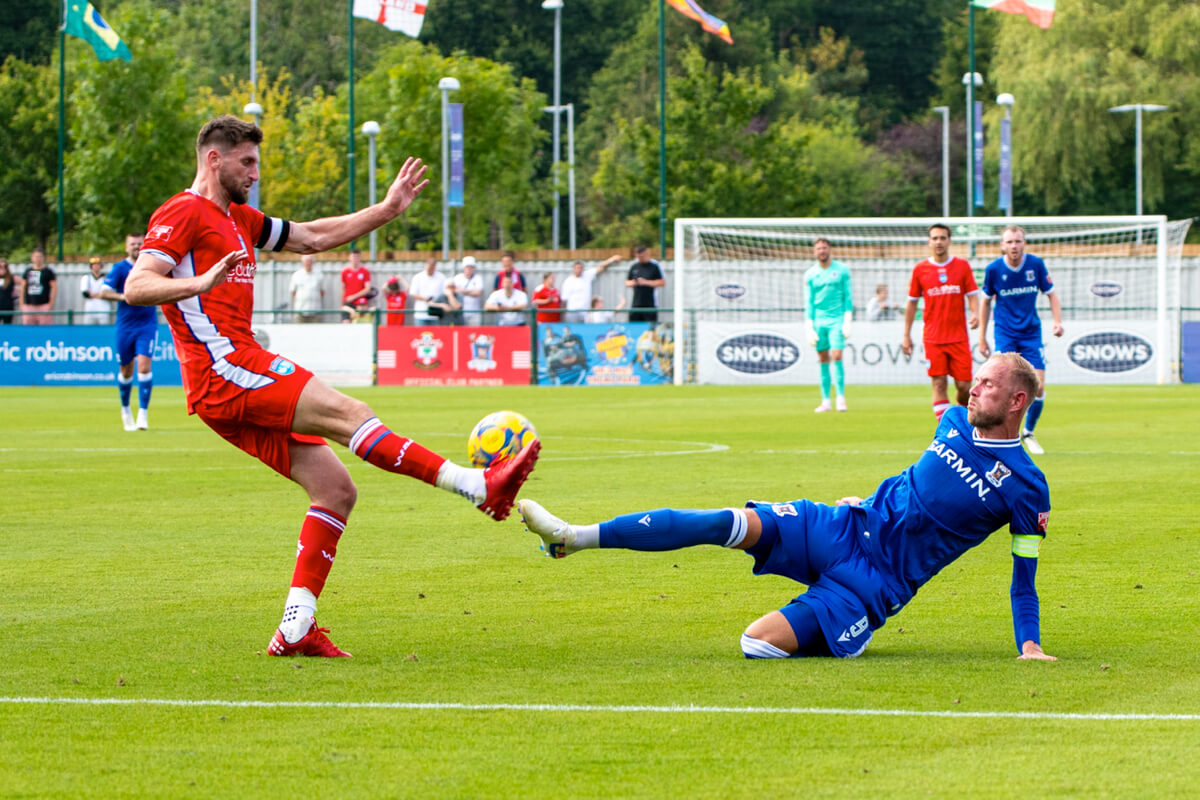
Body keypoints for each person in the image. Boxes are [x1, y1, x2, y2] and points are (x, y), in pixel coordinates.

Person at [123, 115, 540, 658]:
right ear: (214, 160)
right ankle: (476, 486)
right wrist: (197, 282)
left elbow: (314, 235)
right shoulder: (183, 212)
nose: (255, 173)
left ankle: (296, 627)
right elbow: (137, 284)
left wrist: (386, 211)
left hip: (226, 382)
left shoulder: (241, 220)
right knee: (350, 412)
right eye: (247, 162)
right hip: (226, 369)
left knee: (336, 490)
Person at [520, 353, 1055, 663]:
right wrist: (865, 501)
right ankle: (571, 536)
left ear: (1016, 402)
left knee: (755, 644)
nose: (972, 388)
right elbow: (917, 484)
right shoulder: (952, 422)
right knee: (725, 522)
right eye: (975, 378)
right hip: (842, 526)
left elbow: (1024, 576)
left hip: (873, 584)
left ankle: (845, 623)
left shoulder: (1028, 489)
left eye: (986, 385)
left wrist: (1027, 644)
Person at [978, 225, 1064, 456]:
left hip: (1030, 333)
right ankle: (1001, 434)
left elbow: (1051, 294)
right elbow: (985, 302)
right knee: (1000, 385)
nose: (1014, 246)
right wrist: (982, 338)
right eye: (1010, 242)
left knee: (1038, 386)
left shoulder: (1035, 265)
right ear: (1002, 245)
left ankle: (1027, 432)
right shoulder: (994, 269)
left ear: (1024, 243)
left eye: (1018, 241)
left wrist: (1057, 321)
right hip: (1005, 333)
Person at [902, 223, 980, 420]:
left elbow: (972, 295)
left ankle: (961, 419)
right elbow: (911, 304)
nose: (938, 242)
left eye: (942, 238)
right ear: (929, 241)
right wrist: (906, 335)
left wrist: (975, 313)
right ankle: (947, 430)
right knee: (938, 383)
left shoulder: (962, 266)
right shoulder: (920, 269)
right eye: (935, 238)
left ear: (949, 241)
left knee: (964, 386)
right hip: (933, 338)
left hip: (958, 337)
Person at [97, 234, 155, 431]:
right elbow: (104, 292)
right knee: (126, 370)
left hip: (147, 324)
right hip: (125, 324)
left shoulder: (151, 267)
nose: (136, 247)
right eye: (133, 244)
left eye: (140, 244)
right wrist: (124, 296)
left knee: (144, 366)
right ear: (126, 246)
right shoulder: (120, 268)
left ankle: (143, 414)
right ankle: (125, 409)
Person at [804, 238, 853, 413]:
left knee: (837, 355)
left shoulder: (841, 270)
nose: (821, 251)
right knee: (823, 358)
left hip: (837, 319)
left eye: (824, 247)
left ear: (830, 249)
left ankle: (840, 398)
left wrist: (848, 318)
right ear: (814, 251)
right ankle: (825, 400)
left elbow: (848, 295)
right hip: (819, 320)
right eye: (818, 248)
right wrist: (809, 325)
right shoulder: (810, 274)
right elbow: (809, 301)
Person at [562, 256, 620, 322]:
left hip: (585, 312)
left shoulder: (587, 275)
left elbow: (600, 267)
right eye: (577, 268)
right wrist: (564, 313)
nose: (579, 270)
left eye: (581, 268)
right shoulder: (568, 281)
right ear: (573, 269)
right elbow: (564, 299)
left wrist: (612, 259)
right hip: (572, 312)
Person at [625, 245, 665, 323]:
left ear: (646, 254)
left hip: (650, 304)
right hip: (636, 304)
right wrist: (635, 282)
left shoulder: (654, 266)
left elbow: (662, 282)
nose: (640, 258)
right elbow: (627, 283)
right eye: (639, 257)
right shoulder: (634, 267)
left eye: (642, 256)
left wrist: (645, 282)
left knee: (650, 328)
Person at [21, 248, 57, 325]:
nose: (38, 259)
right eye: (36, 256)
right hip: (29, 305)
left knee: (45, 329)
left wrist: (51, 303)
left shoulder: (48, 272)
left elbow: (54, 287)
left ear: (43, 258)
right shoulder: (27, 271)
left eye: (40, 256)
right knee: (28, 330)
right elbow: (22, 287)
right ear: (32, 258)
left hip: (43, 305)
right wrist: (22, 304)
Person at [409, 256, 447, 327]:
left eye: (432, 267)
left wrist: (436, 302)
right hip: (421, 313)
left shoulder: (441, 277)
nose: (430, 270)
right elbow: (413, 293)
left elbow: (445, 293)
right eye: (429, 267)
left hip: (436, 313)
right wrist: (426, 299)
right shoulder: (418, 277)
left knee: (436, 336)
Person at [288, 254, 325, 323]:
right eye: (306, 261)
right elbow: (293, 292)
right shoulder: (297, 275)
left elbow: (322, 292)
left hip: (315, 311)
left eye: (310, 261)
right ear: (302, 262)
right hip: (300, 311)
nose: (308, 263)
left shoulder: (319, 275)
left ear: (313, 262)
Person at [340, 250, 372, 322]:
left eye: (357, 257)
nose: (355, 259)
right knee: (346, 322)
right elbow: (343, 289)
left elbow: (368, 289)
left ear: (360, 258)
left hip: (361, 304)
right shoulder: (345, 272)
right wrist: (342, 304)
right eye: (353, 256)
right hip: (348, 303)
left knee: (360, 324)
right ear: (349, 258)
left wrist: (354, 297)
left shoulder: (365, 271)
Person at [451, 256, 484, 325]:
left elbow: (478, 293)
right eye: (467, 268)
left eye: (471, 268)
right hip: (461, 313)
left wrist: (463, 291)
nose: (469, 270)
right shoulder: (458, 278)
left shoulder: (478, 278)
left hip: (475, 313)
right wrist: (471, 292)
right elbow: (453, 290)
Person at [80, 257, 113, 325]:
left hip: (104, 310)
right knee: (88, 331)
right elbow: (85, 294)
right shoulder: (86, 278)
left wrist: (93, 294)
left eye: (98, 264)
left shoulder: (106, 278)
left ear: (101, 266)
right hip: (90, 310)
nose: (96, 266)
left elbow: (109, 293)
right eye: (94, 264)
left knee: (104, 330)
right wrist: (101, 295)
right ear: (91, 266)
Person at [0, 257, 18, 324]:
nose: (2, 268)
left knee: (7, 326)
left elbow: (23, 284)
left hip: (7, 306)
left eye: (5, 266)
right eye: (0, 266)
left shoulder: (12, 278)